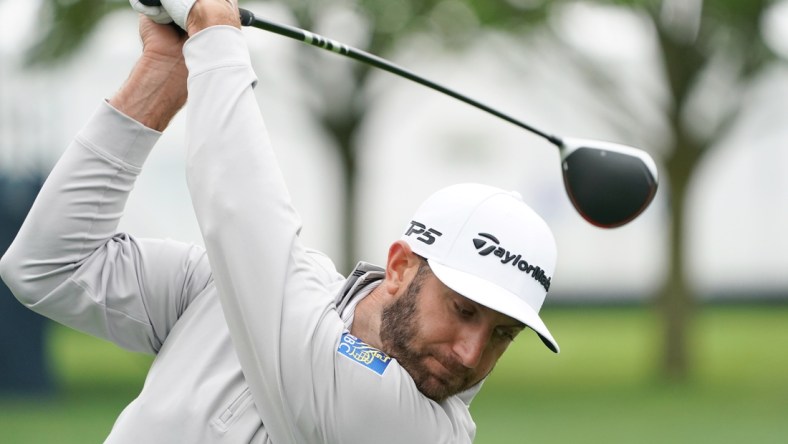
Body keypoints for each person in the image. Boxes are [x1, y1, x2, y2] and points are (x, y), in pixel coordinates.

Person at [0, 0, 560, 442]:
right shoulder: (239, 288)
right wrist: (161, 76)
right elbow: (49, 266)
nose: (472, 354)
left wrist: (215, 39)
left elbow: (244, 222)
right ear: (399, 268)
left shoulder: (420, 432)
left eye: (502, 335)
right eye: (463, 311)